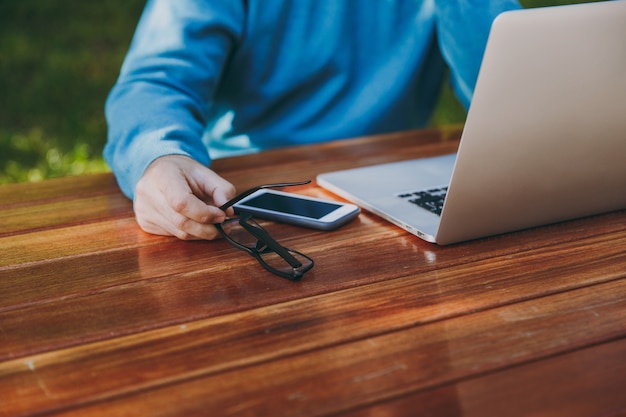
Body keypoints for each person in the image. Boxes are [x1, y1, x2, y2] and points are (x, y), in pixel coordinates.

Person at [105, 0, 521, 241]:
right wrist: (159, 155)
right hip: (256, 195)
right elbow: (157, 78)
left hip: (399, 189)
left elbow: (509, 98)